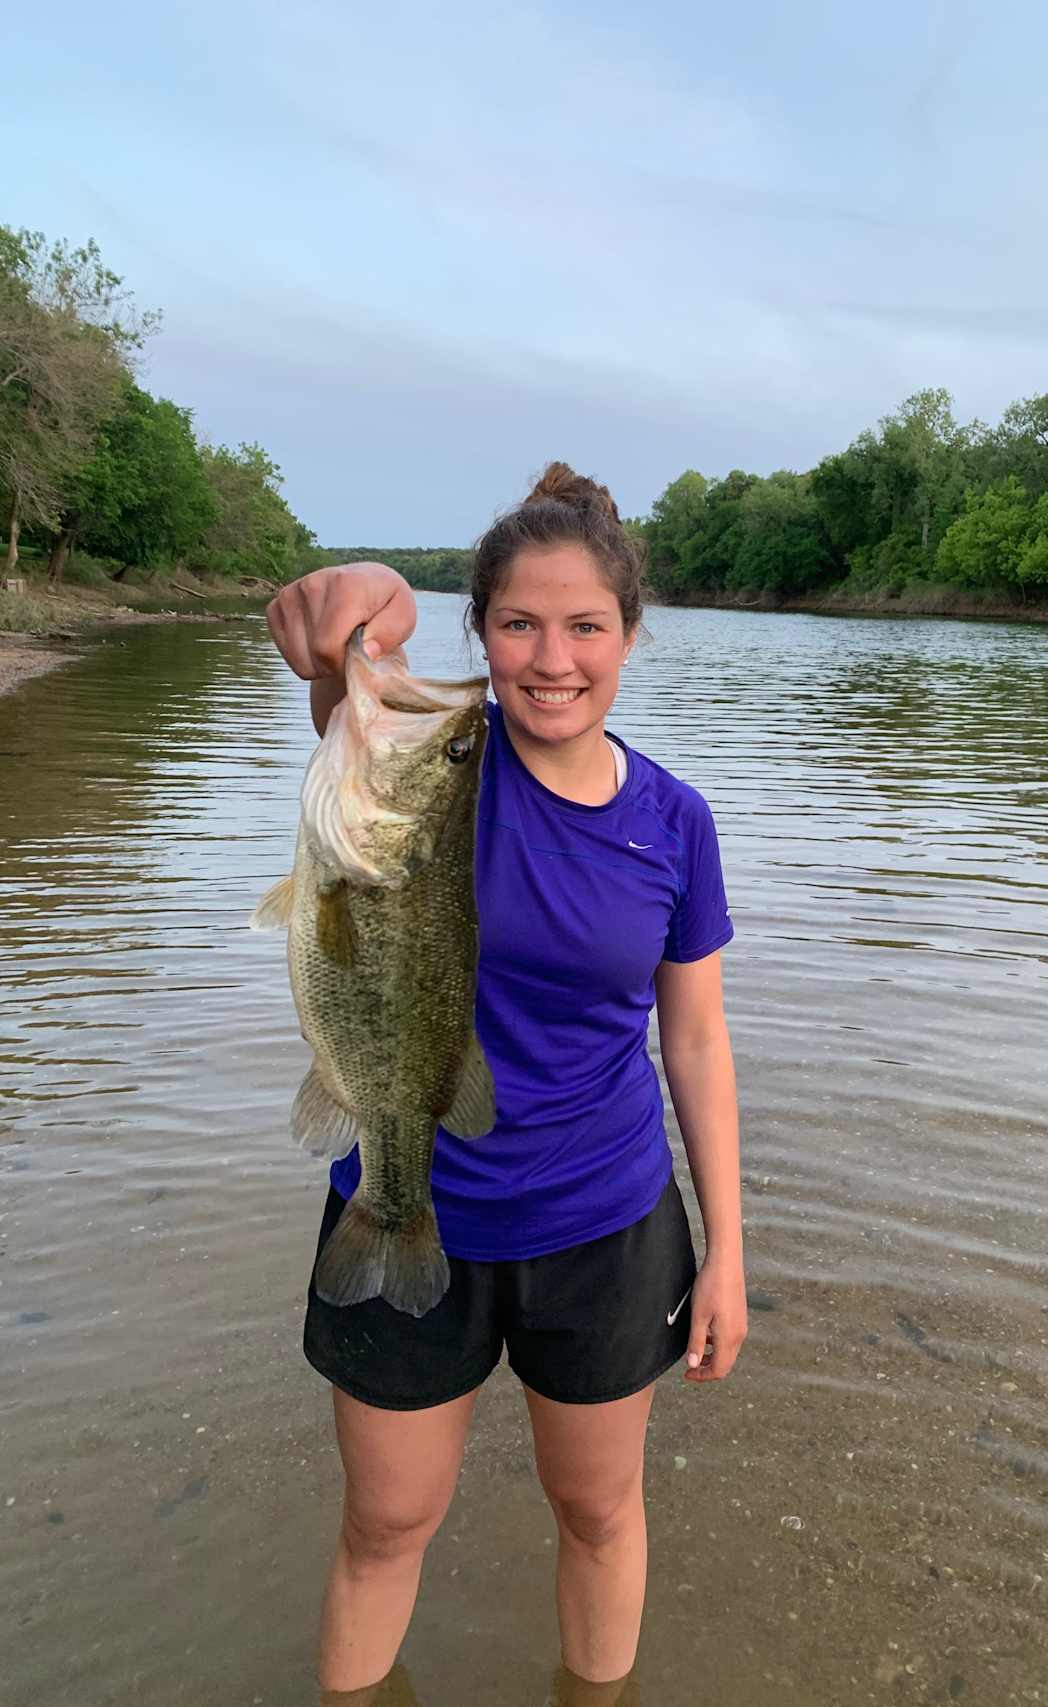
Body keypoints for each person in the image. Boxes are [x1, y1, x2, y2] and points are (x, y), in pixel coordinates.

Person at [265, 463, 747, 1705]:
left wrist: (730, 1252)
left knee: (598, 1515)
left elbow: (692, 1042)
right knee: (383, 1529)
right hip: (404, 1177)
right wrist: (357, 608)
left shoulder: (674, 822)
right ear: (478, 630)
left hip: (604, 1219)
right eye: (518, 623)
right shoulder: (440, 773)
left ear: (630, 638)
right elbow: (343, 676)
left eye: (586, 625)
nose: (551, 659)